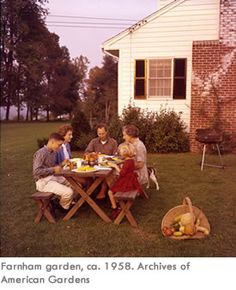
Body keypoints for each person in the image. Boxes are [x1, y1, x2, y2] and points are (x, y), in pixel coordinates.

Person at [33, 133, 74, 210]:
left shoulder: (53, 152)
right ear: (52, 142)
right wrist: (53, 169)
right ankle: (63, 207)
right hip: (43, 182)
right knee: (68, 192)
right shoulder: (41, 153)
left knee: (74, 184)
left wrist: (61, 164)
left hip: (52, 178)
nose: (59, 148)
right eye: (59, 145)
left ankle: (64, 203)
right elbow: (36, 171)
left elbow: (53, 167)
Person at [85, 123, 118, 199]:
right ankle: (90, 191)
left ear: (106, 132)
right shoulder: (93, 141)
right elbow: (86, 152)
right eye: (99, 134)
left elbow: (116, 156)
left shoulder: (113, 142)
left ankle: (102, 191)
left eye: (103, 133)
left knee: (106, 173)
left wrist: (109, 159)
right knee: (87, 173)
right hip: (95, 164)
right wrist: (91, 154)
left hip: (108, 165)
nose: (101, 135)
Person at [107, 143, 143, 210]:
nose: (119, 152)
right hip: (130, 180)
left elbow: (122, 173)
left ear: (125, 153)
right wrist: (121, 162)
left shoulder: (127, 162)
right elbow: (127, 166)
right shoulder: (130, 160)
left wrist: (115, 166)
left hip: (126, 181)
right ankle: (118, 204)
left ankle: (114, 207)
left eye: (120, 151)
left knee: (110, 192)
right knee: (113, 183)